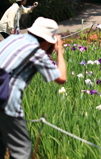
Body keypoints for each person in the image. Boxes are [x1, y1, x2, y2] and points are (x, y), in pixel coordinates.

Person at [0, 17, 67, 159]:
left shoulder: (11, 39)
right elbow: (61, 78)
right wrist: (59, 51)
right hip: (5, 101)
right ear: (49, 40)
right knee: (22, 150)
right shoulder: (36, 52)